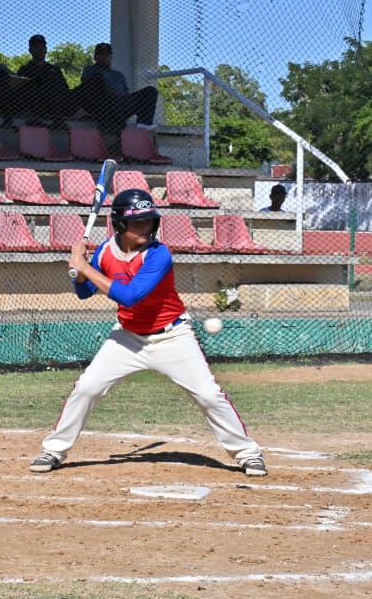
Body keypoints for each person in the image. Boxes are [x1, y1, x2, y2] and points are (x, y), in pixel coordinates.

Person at [29, 189, 267, 477]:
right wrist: (79, 272)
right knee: (87, 388)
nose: (145, 228)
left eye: (149, 222)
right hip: (127, 338)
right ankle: (54, 449)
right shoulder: (105, 251)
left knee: (208, 395)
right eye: (137, 223)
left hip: (172, 337)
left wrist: (83, 268)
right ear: (119, 225)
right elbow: (83, 291)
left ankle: (247, 453)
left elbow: (131, 296)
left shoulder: (159, 254)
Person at [78, 42, 159, 134]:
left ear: (111, 56)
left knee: (151, 91)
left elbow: (126, 94)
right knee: (100, 85)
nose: (104, 57)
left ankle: (143, 124)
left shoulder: (119, 75)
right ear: (95, 57)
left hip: (121, 105)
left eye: (107, 55)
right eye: (101, 55)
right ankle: (109, 121)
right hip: (104, 106)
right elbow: (90, 89)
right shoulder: (90, 70)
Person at [16, 34, 77, 126]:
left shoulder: (54, 69)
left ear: (46, 49)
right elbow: (19, 90)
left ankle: (60, 116)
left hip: (53, 105)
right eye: (37, 47)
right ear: (30, 50)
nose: (40, 49)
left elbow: (65, 90)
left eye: (43, 46)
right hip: (33, 105)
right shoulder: (25, 69)